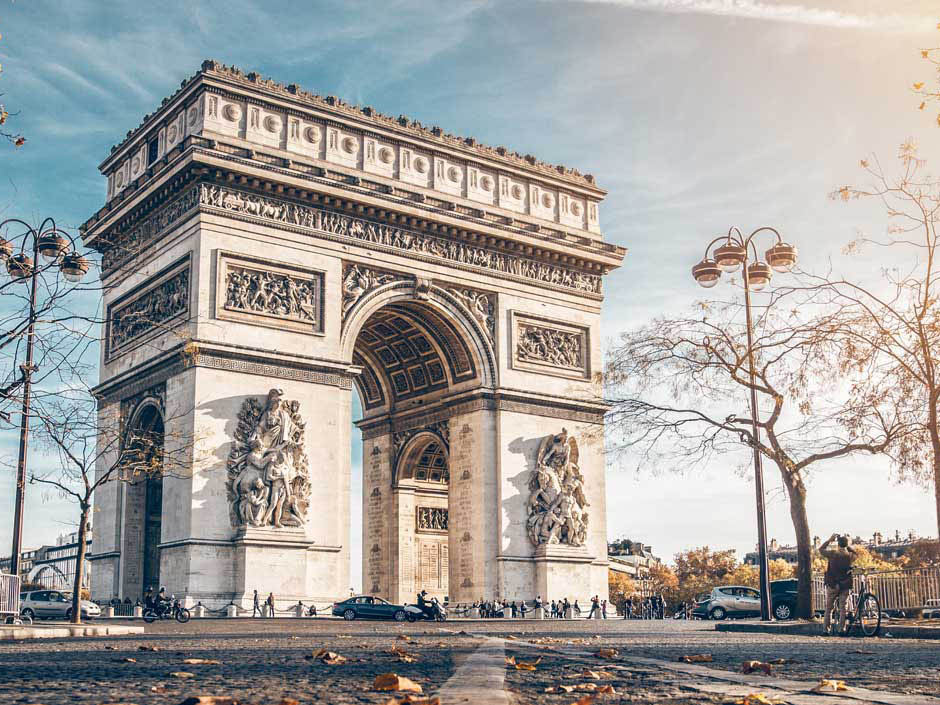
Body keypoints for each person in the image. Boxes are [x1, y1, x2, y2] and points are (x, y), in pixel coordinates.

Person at [820, 532, 857, 635]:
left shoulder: (832, 554)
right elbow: (856, 554)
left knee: (828, 608)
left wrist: (830, 540)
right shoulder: (849, 556)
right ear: (846, 544)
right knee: (843, 608)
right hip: (845, 584)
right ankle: (841, 629)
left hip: (833, 584)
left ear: (838, 544)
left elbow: (821, 549)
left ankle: (825, 630)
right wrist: (847, 546)